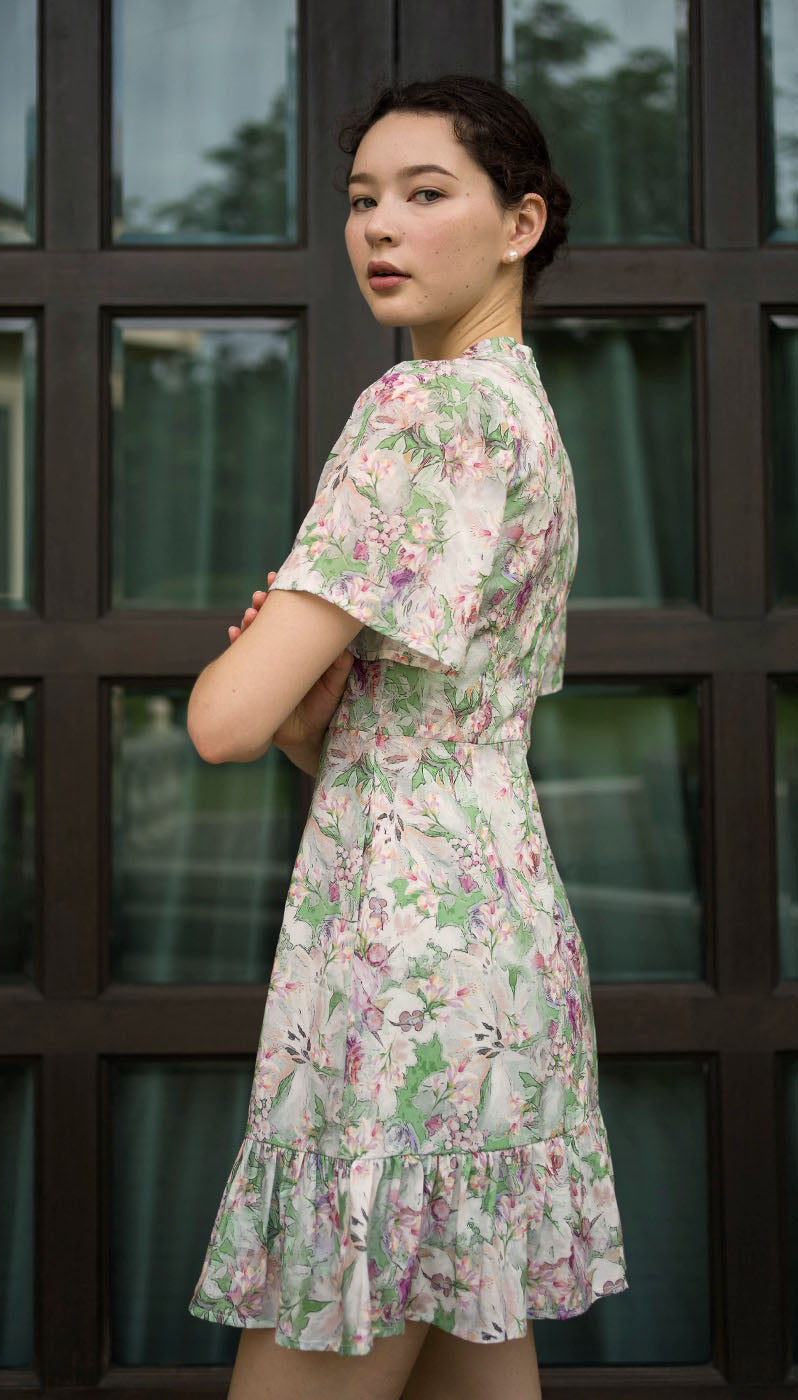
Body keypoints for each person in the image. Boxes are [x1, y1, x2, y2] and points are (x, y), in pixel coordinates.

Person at [186, 74, 628, 1400]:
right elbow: (390, 738)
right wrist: (314, 708)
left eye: (425, 194)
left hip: (396, 966)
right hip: (500, 941)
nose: (379, 224)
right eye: (361, 199)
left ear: (518, 223)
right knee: (471, 1366)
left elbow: (224, 722)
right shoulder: (525, 423)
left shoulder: (420, 411)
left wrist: (260, 675)